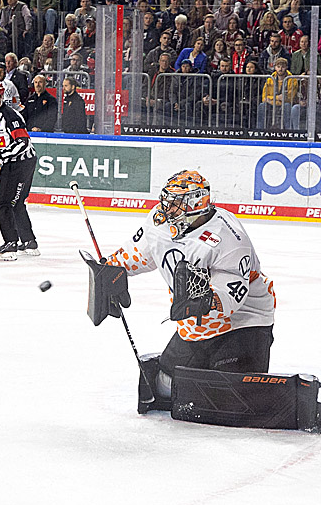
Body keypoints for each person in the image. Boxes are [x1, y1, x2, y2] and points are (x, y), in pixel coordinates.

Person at [104, 170, 276, 414]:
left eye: (176, 203)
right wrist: (111, 269)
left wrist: (208, 300)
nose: (167, 209)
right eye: (167, 201)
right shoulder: (159, 221)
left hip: (244, 321)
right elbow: (139, 253)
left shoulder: (229, 237)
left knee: (231, 396)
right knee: (166, 386)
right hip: (195, 323)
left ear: (197, 203)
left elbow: (234, 294)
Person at [0, 79, 39, 260]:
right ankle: (28, 242)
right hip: (18, 162)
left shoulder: (9, 116)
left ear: (2, 97)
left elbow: (23, 142)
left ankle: (10, 244)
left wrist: (1, 156)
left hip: (20, 164)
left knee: (1, 203)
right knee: (16, 203)